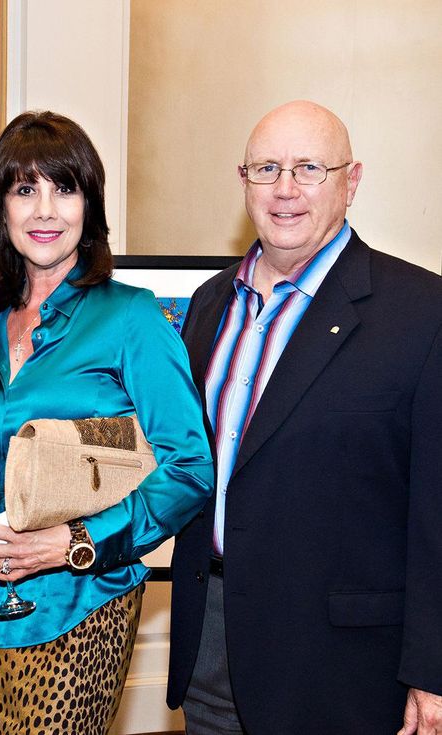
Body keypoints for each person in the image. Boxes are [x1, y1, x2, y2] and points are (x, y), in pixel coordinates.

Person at [167, 100, 442, 735]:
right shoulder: (209, 306)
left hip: (343, 667)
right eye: (266, 168)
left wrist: (432, 670)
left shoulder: (423, 315)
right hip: (211, 641)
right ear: (244, 183)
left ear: (353, 179)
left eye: (309, 167)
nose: (285, 189)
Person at [0, 110, 214, 734]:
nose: (45, 210)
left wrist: (74, 542)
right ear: (1, 209)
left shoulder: (134, 320)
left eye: (64, 188)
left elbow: (190, 467)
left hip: (80, 603)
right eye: (24, 190)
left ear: (89, 205)